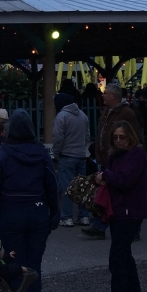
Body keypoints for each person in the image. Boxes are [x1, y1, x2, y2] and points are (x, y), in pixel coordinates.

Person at [0, 109, 59, 292]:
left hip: (10, 215)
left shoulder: (2, 153)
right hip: (38, 213)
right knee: (34, 267)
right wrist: (55, 212)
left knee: (15, 266)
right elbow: (52, 184)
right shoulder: (42, 153)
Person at [94, 120, 147, 292]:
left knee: (117, 259)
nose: (118, 140)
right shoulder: (115, 156)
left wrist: (106, 175)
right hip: (118, 210)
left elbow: (124, 180)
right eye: (115, 137)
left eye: (122, 136)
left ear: (130, 137)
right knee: (125, 258)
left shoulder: (136, 155)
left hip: (128, 211)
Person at [51, 92, 91, 227]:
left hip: (66, 155)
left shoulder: (61, 116)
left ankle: (67, 217)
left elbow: (57, 138)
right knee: (82, 187)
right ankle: (84, 215)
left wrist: (56, 154)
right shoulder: (82, 115)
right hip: (81, 155)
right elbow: (87, 135)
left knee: (66, 187)